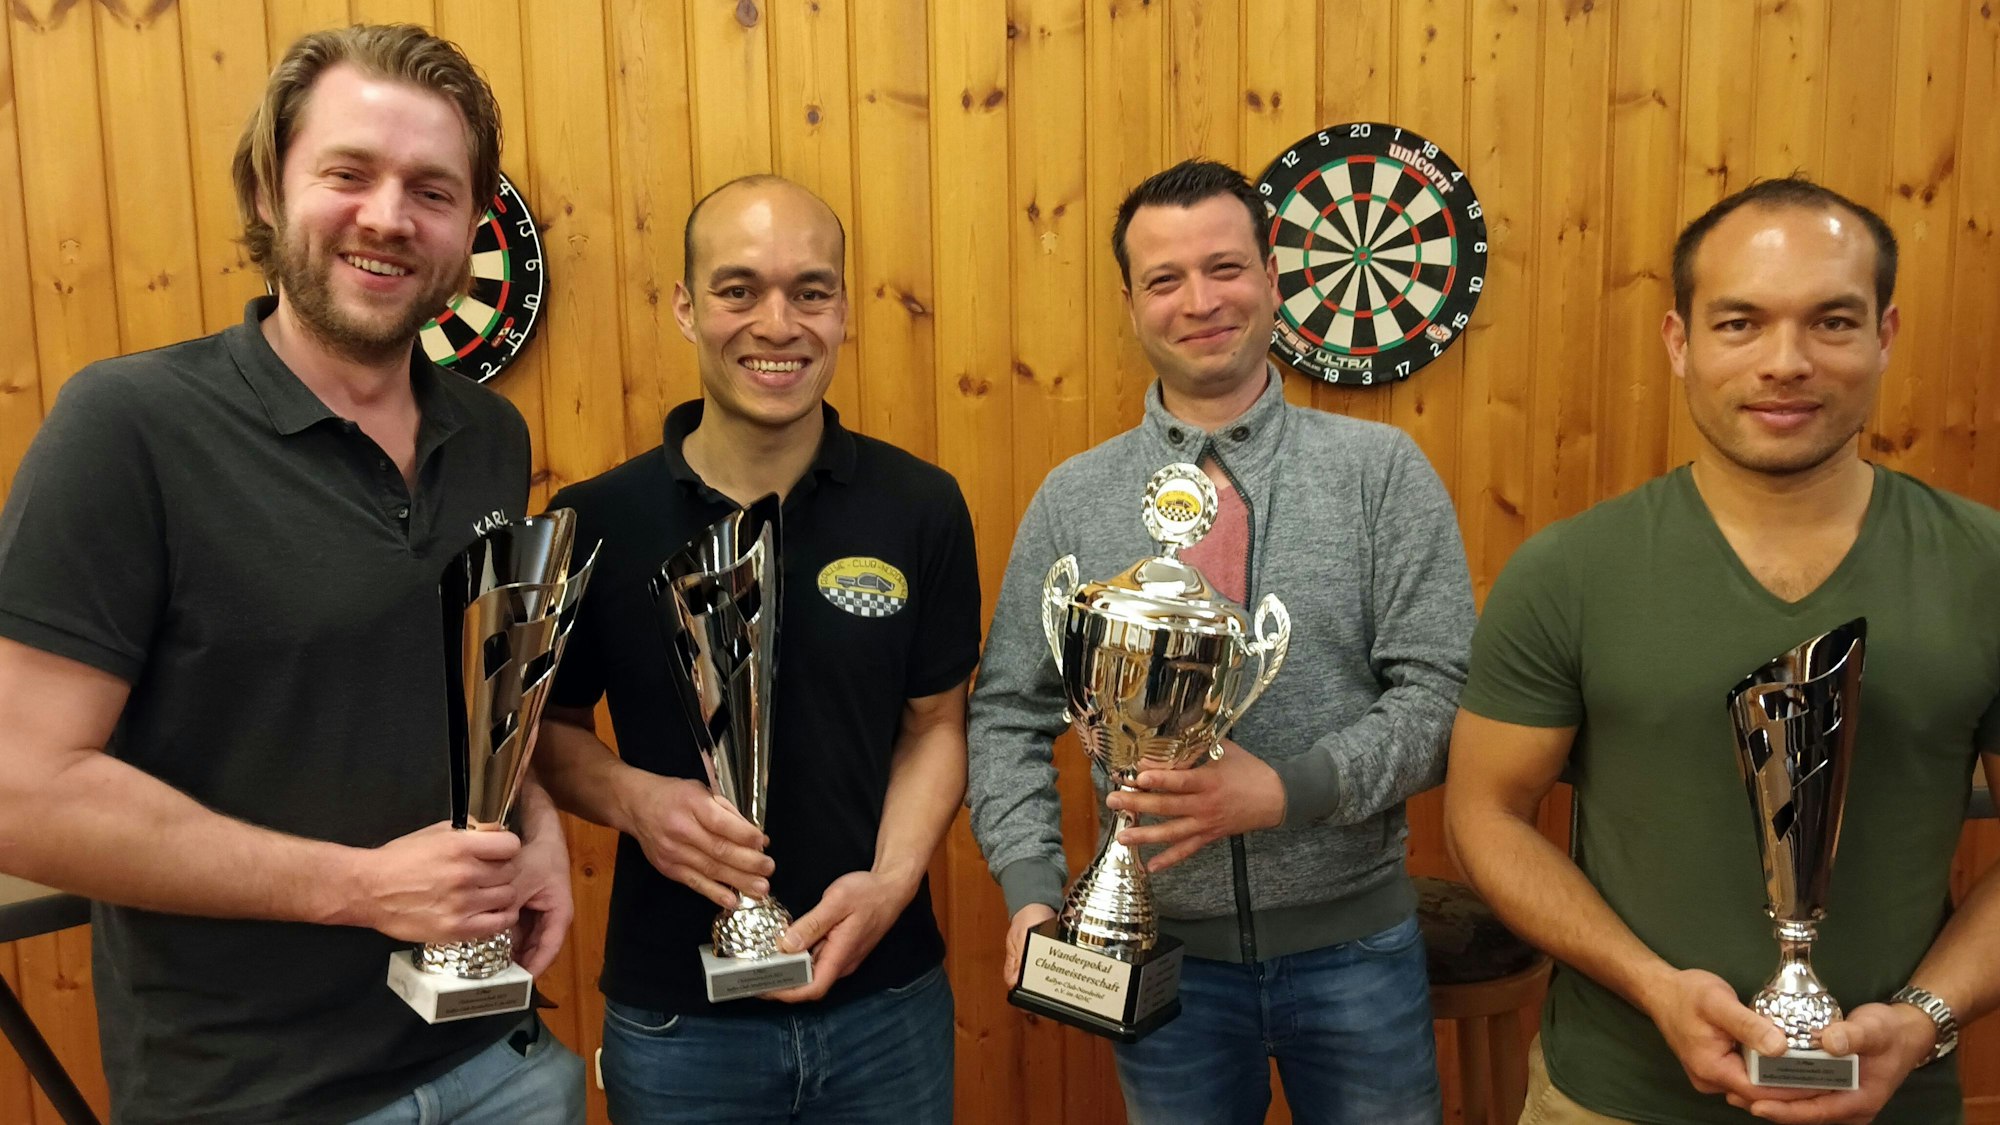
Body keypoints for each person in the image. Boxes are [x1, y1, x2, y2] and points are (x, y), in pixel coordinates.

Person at [0, 24, 583, 1125]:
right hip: (255, 1096)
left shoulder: (490, 437)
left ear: (469, 228)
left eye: (432, 189)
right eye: (348, 173)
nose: (387, 217)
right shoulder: (128, 429)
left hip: (500, 1064)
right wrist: (361, 892)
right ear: (270, 190)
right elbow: (21, 793)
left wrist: (537, 817)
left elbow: (448, 704)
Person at [1445, 176, 2000, 1125]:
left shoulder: (1985, 566)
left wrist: (1920, 1019)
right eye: (1740, 323)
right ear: (1680, 342)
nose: (1786, 362)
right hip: (1610, 1099)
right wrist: (1654, 985)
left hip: (1897, 1101)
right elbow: (1483, 814)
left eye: (1831, 322)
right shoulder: (1571, 571)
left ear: (1885, 336)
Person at [966, 158, 1475, 1124]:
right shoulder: (1076, 497)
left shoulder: (1379, 473)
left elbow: (1441, 695)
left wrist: (1285, 792)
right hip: (1159, 959)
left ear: (1273, 278)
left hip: (1355, 952)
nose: (1199, 301)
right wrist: (1032, 889)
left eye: (1225, 267)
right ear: (1131, 303)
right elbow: (1007, 713)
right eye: (1165, 279)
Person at [534, 175, 980, 1125]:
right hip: (677, 1020)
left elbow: (938, 725)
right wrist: (635, 799)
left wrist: (894, 881)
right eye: (739, 290)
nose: (777, 324)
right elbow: (550, 734)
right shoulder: (594, 519)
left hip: (887, 1003)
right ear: (687, 310)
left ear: (845, 312)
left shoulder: (920, 506)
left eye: (810, 291)